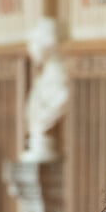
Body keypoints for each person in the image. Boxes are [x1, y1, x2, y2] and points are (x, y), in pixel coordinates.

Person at [21, 17, 69, 162]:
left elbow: (62, 100)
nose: (30, 48)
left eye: (34, 42)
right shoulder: (43, 79)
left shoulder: (62, 80)